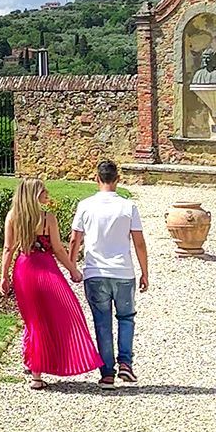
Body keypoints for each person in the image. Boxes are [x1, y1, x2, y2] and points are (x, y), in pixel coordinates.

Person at [0, 177, 103, 390]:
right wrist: (73, 270)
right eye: (43, 191)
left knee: (33, 319)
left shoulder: (14, 217)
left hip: (24, 270)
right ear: (35, 195)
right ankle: (38, 370)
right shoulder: (48, 219)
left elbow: (8, 249)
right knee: (66, 311)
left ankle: (33, 364)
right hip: (46, 269)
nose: (47, 193)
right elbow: (57, 249)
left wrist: (4, 276)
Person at [68, 159, 149, 389]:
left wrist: (73, 266)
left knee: (102, 323)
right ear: (117, 180)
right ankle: (125, 363)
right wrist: (145, 272)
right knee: (126, 318)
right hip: (123, 271)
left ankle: (106, 374)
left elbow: (75, 239)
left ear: (97, 179)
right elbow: (139, 242)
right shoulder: (128, 206)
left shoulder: (85, 205)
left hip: (95, 272)